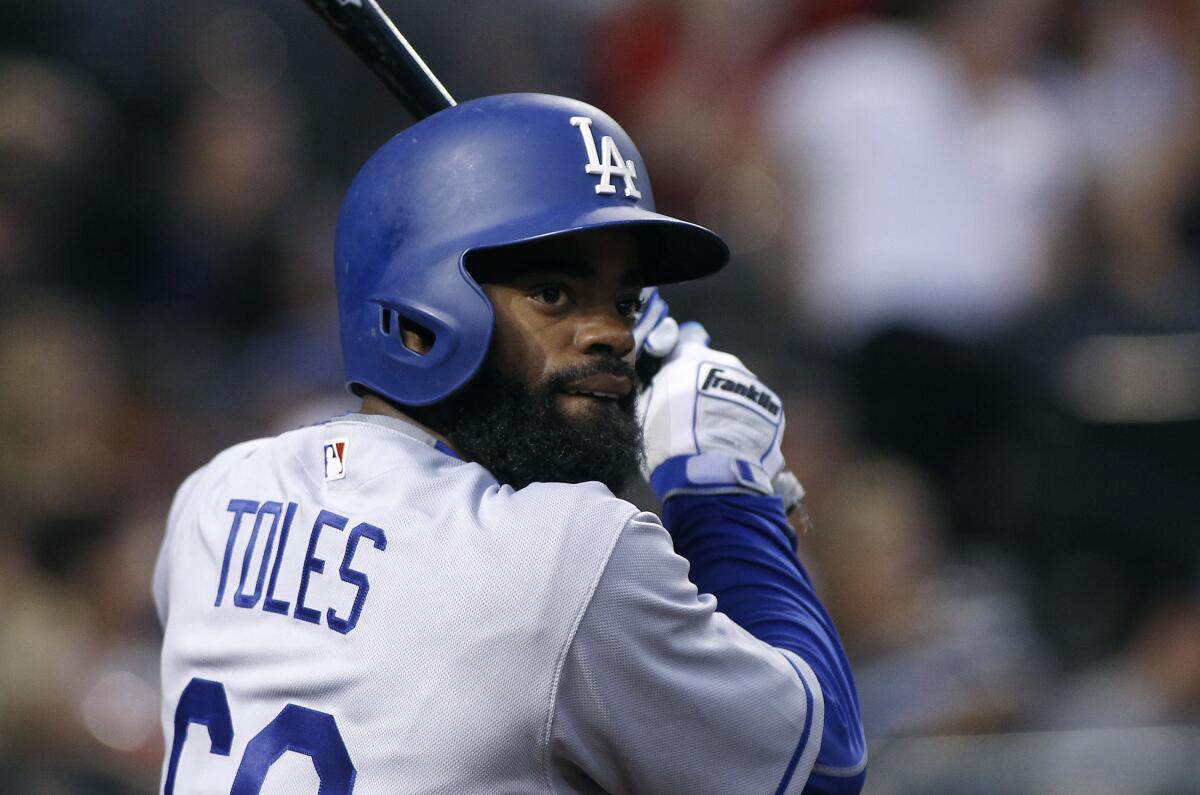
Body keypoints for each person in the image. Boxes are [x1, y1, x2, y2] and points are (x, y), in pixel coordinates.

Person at [154, 93, 865, 794]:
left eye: (624, 300)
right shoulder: (570, 555)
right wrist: (723, 490)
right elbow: (824, 764)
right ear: (415, 322)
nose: (612, 334)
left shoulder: (215, 497)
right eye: (554, 293)